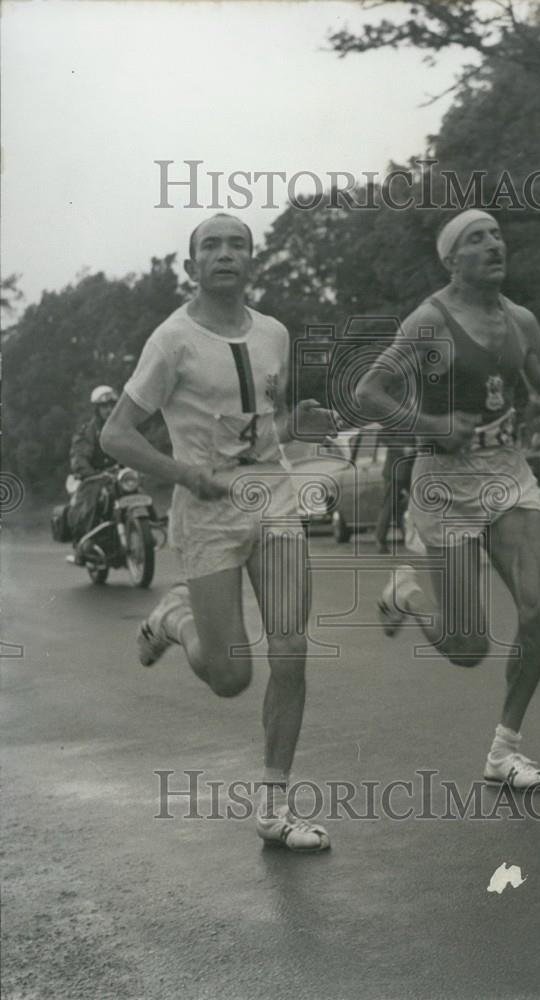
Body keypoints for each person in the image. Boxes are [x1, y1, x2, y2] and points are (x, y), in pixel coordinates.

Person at [101, 213, 338, 852]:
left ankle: (274, 807)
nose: (225, 254)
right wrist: (184, 472)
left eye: (238, 244)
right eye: (212, 245)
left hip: (274, 501)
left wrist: (303, 422)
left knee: (291, 652)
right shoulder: (172, 340)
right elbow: (115, 434)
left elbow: (265, 426)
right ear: (192, 265)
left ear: (252, 261)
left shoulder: (276, 334)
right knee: (231, 677)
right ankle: (176, 621)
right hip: (206, 516)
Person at [356, 209, 540, 789]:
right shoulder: (429, 321)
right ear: (452, 259)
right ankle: (408, 598)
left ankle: (504, 751)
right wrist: (433, 423)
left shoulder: (523, 320)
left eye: (496, 235)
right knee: (468, 647)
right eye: (477, 239)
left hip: (506, 475)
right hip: (445, 482)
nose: (494, 245)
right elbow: (369, 390)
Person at [67, 385, 119, 544]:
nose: (109, 410)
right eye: (104, 406)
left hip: (118, 473)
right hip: (96, 475)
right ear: (97, 409)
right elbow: (79, 456)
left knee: (135, 488)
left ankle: (150, 525)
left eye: (111, 405)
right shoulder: (89, 431)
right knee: (91, 502)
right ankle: (85, 541)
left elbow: (136, 449)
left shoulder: (123, 428)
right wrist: (91, 473)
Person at [374, 432, 417, 553]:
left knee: (414, 504)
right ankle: (380, 539)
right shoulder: (394, 418)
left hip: (411, 469)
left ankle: (410, 536)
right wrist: (401, 448)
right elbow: (382, 436)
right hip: (394, 470)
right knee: (389, 505)